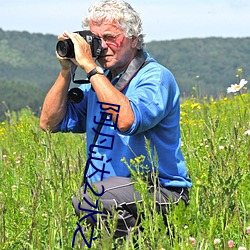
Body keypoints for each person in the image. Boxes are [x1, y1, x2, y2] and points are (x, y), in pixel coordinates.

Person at [40, 0, 192, 243]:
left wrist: (90, 68)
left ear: (133, 39)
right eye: (96, 39)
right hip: (111, 199)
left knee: (92, 198)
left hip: (160, 190)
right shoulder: (99, 82)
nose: (102, 47)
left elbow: (127, 121)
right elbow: (49, 122)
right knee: (84, 233)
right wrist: (66, 70)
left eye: (111, 37)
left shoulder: (154, 77)